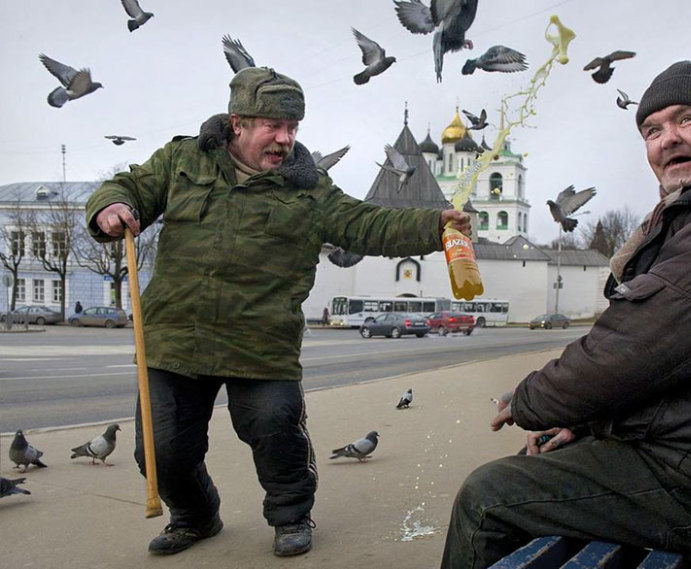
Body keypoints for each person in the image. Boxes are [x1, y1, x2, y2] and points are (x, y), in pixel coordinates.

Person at [441, 60, 691, 568]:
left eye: (686, 120)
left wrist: (535, 400)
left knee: (489, 496)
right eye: (652, 130)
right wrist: (589, 421)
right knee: (545, 463)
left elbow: (640, 342)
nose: (666, 140)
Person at [86, 66, 469, 558]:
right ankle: (196, 515)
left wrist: (434, 225)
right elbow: (129, 186)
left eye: (293, 129)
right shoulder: (182, 160)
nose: (285, 139)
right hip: (176, 337)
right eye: (274, 126)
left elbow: (367, 223)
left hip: (261, 342)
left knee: (276, 430)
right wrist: (110, 205)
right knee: (160, 450)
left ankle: (291, 516)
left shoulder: (309, 189)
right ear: (238, 123)